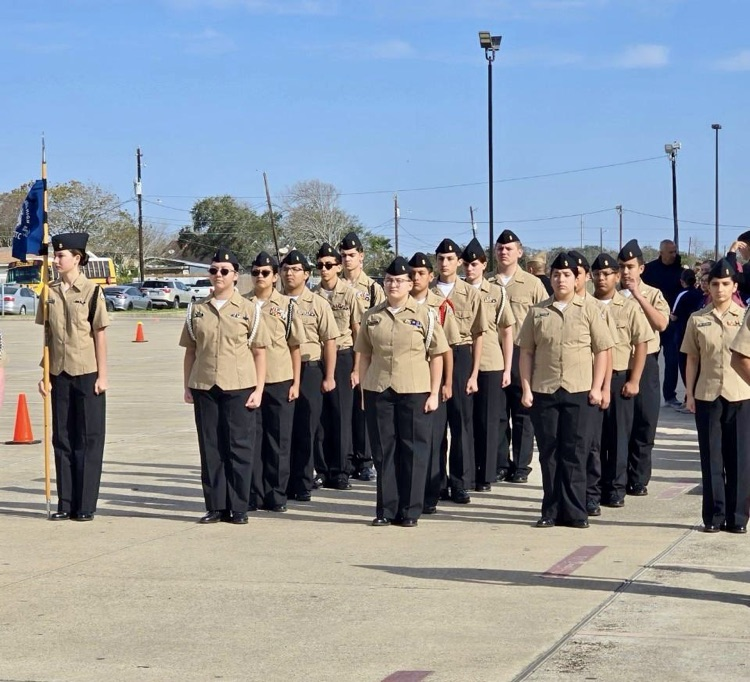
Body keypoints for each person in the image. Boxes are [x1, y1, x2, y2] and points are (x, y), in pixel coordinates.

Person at [518, 252, 614, 528]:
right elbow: (526, 352)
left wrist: (598, 388)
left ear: (577, 279)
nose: (561, 279)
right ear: (549, 278)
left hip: (579, 390)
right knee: (549, 453)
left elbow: (603, 350)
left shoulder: (590, 310)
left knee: (576, 451)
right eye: (556, 274)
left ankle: (575, 511)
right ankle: (551, 509)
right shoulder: (537, 312)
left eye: (567, 275)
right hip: (545, 390)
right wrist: (526, 388)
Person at [356, 256, 448, 527]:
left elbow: (438, 355)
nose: (393, 284)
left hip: (414, 389)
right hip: (379, 388)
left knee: (413, 450)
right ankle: (386, 509)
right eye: (388, 280)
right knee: (384, 451)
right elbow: (363, 355)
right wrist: (363, 392)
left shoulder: (425, 315)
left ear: (410, 284)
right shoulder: (372, 316)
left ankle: (410, 511)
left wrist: (434, 393)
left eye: (399, 280)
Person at [180, 248, 269, 525]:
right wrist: (187, 386)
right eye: (214, 270)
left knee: (239, 447)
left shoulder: (249, 310)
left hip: (239, 385)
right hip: (205, 384)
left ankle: (239, 506)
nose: (218, 275)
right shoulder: (197, 309)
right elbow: (190, 351)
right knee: (211, 447)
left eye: (224, 271)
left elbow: (259, 352)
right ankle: (216, 505)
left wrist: (259, 389)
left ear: (235, 276)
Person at [37, 232, 109, 522]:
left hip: (87, 372)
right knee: (63, 438)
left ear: (76, 258)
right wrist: (44, 372)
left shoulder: (92, 292)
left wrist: (103, 376)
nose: (56, 260)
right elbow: (47, 336)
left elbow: (99, 334)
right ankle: (65, 502)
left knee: (88, 439)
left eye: (61, 256)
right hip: (59, 373)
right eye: (55, 255)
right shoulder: (49, 292)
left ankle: (85, 504)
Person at [681, 259, 750, 534]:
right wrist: (689, 391)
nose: (720, 289)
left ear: (734, 286)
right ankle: (714, 515)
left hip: (740, 393)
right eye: (714, 284)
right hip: (708, 393)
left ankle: (737, 517)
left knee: (739, 458)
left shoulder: (745, 317)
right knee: (711, 457)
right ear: (706, 287)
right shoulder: (698, 319)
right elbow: (692, 358)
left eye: (725, 284)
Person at [590, 253, 653, 510]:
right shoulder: (586, 305)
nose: (601, 278)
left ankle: (616, 488)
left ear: (617, 277)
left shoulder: (628, 308)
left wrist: (635, 380)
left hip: (619, 378)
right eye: (597, 274)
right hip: (591, 379)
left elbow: (641, 344)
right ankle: (594, 488)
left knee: (617, 437)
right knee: (594, 439)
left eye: (607, 274)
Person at [245, 252, 305, 513]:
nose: (261, 277)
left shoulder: (287, 306)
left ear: (275, 275)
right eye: (256, 272)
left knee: (278, 440)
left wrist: (296, 382)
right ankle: (253, 493)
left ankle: (276, 494)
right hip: (247, 380)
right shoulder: (243, 304)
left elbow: (295, 347)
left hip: (279, 379)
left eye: (266, 272)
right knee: (252, 439)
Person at [430, 238, 487, 503]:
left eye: (450, 258)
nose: (445, 263)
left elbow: (478, 335)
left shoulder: (471, 293)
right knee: (435, 425)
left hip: (460, 355)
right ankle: (437, 482)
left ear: (459, 262)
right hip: (432, 358)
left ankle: (460, 483)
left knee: (461, 423)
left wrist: (474, 373)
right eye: (440, 258)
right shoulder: (426, 292)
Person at [281, 249, 339, 502]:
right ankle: (281, 482)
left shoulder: (318, 304)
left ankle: (303, 483)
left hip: (309, 369)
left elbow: (330, 341)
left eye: (295, 270)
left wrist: (329, 375)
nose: (289, 273)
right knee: (282, 430)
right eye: (285, 269)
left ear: (306, 274)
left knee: (307, 429)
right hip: (280, 370)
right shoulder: (275, 302)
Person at [493, 229, 548, 483]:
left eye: (509, 248)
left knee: (523, 413)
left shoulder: (533, 284)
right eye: (500, 248)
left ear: (520, 252)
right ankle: (501, 462)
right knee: (499, 412)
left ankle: (522, 465)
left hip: (523, 353)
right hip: (494, 354)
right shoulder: (487, 284)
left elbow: (544, 318)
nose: (504, 252)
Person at [461, 238, 515, 492]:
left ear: (484, 265)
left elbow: (506, 330)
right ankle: (468, 473)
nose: (469, 269)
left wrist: (507, 367)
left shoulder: (496, 292)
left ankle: (486, 474)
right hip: (464, 363)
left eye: (474, 264)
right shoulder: (458, 292)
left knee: (489, 421)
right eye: (466, 264)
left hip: (491, 362)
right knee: (467, 421)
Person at [618, 239, 669, 497]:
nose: (625, 272)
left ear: (641, 268)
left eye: (630, 267)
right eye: (622, 267)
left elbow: (661, 324)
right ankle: (619, 477)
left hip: (646, 362)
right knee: (620, 427)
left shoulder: (654, 294)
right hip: (618, 364)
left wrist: (639, 296)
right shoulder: (609, 296)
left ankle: (639, 479)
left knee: (645, 422)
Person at [409, 251, 458, 515]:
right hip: (406, 382)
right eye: (412, 273)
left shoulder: (440, 307)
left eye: (421, 273)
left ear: (430, 276)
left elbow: (446, 349)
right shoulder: (397, 303)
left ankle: (432, 492)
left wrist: (447, 383)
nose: (416, 278)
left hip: (432, 381)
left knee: (434, 439)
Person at [313, 243, 361, 490]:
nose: (324, 269)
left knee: (341, 415)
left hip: (343, 356)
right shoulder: (312, 295)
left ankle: (341, 470)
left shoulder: (349, 294)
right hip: (318, 358)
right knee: (320, 418)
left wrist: (356, 368)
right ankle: (322, 469)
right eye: (320, 265)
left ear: (338, 267)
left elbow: (358, 332)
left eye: (329, 265)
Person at [339, 231, 385, 483]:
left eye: (352, 255)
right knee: (344, 410)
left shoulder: (372, 288)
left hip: (368, 353)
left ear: (361, 257)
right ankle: (345, 459)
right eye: (344, 255)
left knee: (364, 407)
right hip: (343, 353)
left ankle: (365, 460)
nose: (347, 260)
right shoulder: (333, 284)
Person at [642, 240, 683, 408]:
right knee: (650, 360)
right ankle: (645, 394)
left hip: (671, 323)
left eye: (675, 251)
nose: (674, 255)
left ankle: (670, 396)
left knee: (672, 360)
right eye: (670, 252)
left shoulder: (679, 271)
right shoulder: (649, 270)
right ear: (661, 253)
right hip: (651, 323)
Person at [670, 269, 705, 397]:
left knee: (685, 365)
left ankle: (690, 395)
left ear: (682, 281)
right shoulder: (700, 294)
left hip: (682, 334)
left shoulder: (682, 294)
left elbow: (674, 315)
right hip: (699, 333)